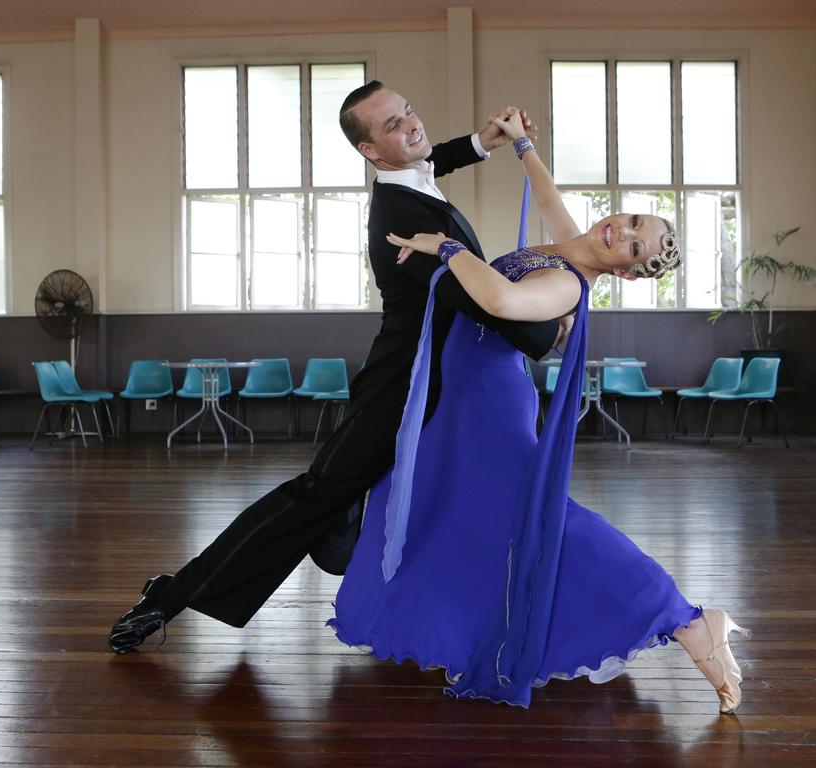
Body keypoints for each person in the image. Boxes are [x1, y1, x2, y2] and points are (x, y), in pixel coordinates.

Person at [107, 83, 561, 653]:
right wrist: (552, 328)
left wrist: (480, 142)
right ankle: (171, 594)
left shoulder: (408, 178)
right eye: (393, 126)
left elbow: (427, 158)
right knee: (315, 495)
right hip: (400, 385)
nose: (411, 126)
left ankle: (417, 590)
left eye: (409, 111)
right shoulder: (400, 219)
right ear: (370, 152)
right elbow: (485, 303)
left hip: (445, 381)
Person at [326, 109, 751, 713]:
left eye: (634, 245)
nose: (619, 233)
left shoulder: (569, 283)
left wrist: (444, 246)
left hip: (489, 406)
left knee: (542, 520)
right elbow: (551, 199)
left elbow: (499, 297)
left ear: (629, 272)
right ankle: (460, 624)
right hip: (464, 398)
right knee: (449, 511)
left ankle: (685, 619)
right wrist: (523, 145)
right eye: (632, 220)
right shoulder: (575, 242)